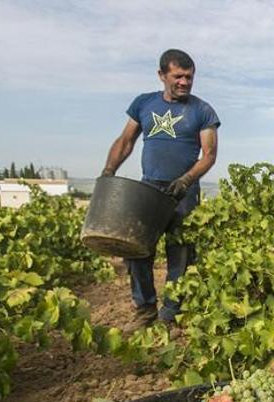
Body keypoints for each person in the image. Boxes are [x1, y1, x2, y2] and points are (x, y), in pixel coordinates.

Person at [101, 49, 220, 327]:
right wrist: (108, 171)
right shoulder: (144, 104)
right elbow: (125, 141)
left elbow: (209, 155)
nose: (184, 82)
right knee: (138, 249)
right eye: (178, 76)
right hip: (148, 189)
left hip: (184, 192)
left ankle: (170, 315)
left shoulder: (202, 110)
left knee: (180, 254)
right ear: (162, 75)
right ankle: (145, 310)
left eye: (189, 77)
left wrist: (186, 180)